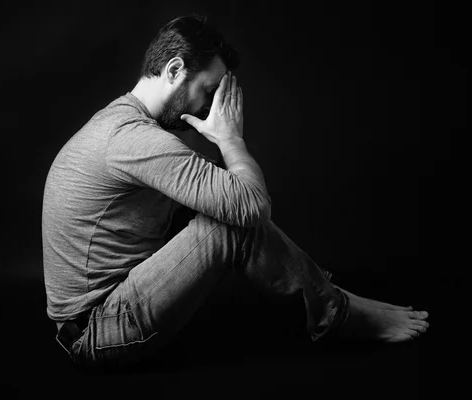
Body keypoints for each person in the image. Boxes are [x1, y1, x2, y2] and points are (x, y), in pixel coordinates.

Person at [41, 14, 429, 370]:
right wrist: (230, 140)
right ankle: (337, 312)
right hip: (97, 329)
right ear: (174, 69)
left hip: (103, 312)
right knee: (231, 222)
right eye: (207, 90)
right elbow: (251, 207)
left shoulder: (124, 123)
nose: (211, 106)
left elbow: (229, 198)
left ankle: (329, 297)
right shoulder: (132, 138)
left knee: (213, 208)